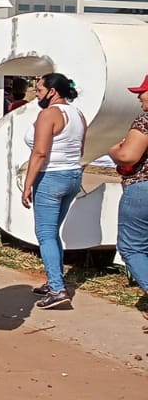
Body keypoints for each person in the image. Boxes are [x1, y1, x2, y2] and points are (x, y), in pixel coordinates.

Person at [22, 73, 87, 310]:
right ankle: (54, 281)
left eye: (39, 89)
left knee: (45, 233)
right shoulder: (78, 114)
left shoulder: (48, 114)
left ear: (52, 91)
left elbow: (39, 152)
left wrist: (28, 183)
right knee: (52, 232)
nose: (36, 92)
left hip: (50, 176)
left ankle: (58, 289)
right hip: (72, 174)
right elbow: (80, 147)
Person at [109, 74, 148, 320]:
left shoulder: (146, 120)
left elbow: (128, 157)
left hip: (142, 188)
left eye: (142, 91)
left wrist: (114, 149)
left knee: (131, 247)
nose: (138, 96)